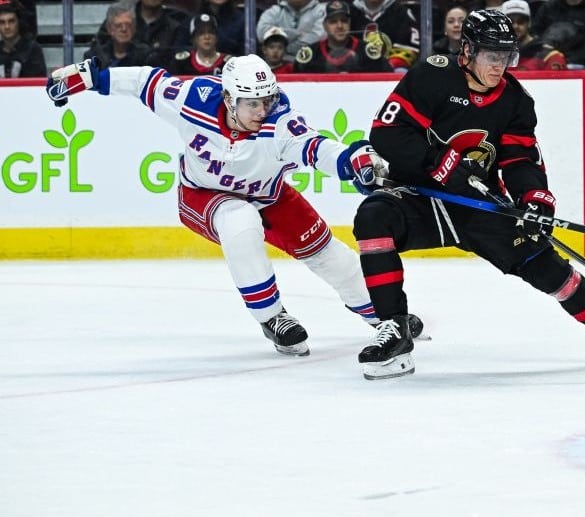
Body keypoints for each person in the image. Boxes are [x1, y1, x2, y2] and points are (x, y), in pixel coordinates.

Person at [352, 9, 585, 380]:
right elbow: (386, 133)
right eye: (491, 55)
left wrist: (534, 198)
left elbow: (519, 159)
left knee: (549, 269)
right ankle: (394, 329)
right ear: (466, 51)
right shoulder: (431, 77)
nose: (500, 66)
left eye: (506, 56)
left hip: (477, 203)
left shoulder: (515, 99)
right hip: (420, 197)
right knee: (373, 216)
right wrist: (437, 161)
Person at [44, 54, 407, 358]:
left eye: (266, 100)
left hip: (270, 196)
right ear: (229, 99)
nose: (262, 110)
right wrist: (89, 76)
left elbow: (317, 148)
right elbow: (145, 82)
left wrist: (354, 161)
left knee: (329, 254)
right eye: (252, 103)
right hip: (203, 196)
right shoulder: (193, 100)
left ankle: (382, 315)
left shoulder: (279, 121)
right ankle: (272, 317)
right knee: (239, 219)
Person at [294, 0, 392, 73]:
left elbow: (387, 78)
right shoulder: (310, 55)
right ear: (324, 26)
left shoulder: (368, 52)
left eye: (344, 21)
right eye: (333, 22)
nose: (340, 26)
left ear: (350, 23)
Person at [503, 0, 568, 70]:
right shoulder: (496, 56)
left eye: (521, 21)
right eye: (510, 21)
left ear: (529, 23)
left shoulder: (549, 56)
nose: (515, 26)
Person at [86, 3, 154, 69]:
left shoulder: (146, 55)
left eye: (128, 25)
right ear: (109, 29)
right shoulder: (95, 56)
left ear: (134, 28)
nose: (124, 29)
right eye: (118, 25)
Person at [163, 13, 231, 76]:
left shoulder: (229, 63)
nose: (207, 37)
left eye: (211, 32)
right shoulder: (182, 63)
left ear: (216, 37)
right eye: (201, 33)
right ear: (193, 39)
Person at [256, 0, 327, 60]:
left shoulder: (322, 10)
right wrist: (297, 34)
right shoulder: (274, 11)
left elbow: (319, 38)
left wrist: (285, 47)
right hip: (280, 63)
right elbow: (262, 33)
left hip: (313, 62)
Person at [0, 0, 44, 78]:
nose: (7, 26)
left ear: (19, 22)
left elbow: (37, 84)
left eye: (11, 21)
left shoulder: (33, 49)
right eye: (2, 22)